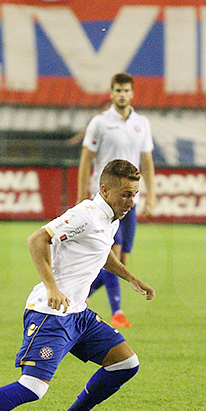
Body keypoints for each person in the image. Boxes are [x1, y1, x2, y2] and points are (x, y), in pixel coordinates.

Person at [0, 159, 155, 411]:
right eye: (126, 194)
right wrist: (52, 287)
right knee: (32, 388)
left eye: (135, 194)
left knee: (125, 364)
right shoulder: (85, 216)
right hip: (50, 315)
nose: (132, 201)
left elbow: (101, 252)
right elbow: (37, 239)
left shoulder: (110, 218)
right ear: (105, 189)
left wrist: (130, 276)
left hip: (79, 315)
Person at [77, 72, 155, 328]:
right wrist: (81, 197)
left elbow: (147, 162)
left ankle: (79, 295)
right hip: (106, 199)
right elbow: (86, 160)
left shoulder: (141, 123)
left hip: (129, 200)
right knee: (113, 252)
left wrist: (151, 196)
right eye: (117, 91)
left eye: (126, 91)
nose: (121, 95)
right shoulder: (100, 122)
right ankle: (117, 313)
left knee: (121, 263)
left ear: (132, 93)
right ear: (111, 93)